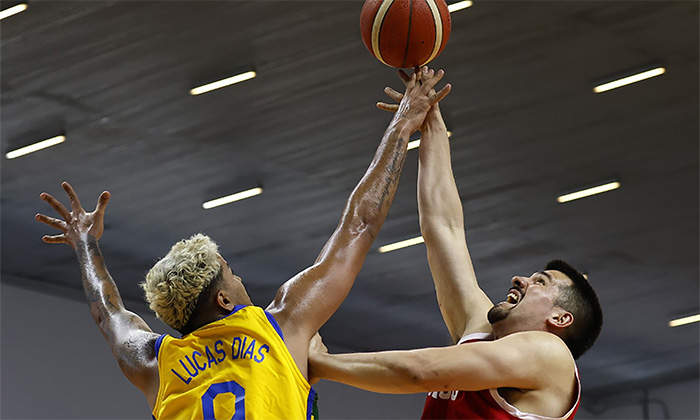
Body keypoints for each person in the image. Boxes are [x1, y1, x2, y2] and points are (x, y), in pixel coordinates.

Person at [34, 67, 452, 420]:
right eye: (231, 274)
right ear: (224, 300)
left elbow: (108, 314)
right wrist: (403, 124)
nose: (240, 278)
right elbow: (360, 224)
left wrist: (85, 244)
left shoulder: (154, 362)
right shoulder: (280, 325)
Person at [309, 71, 603, 420]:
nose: (519, 279)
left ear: (560, 317)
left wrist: (320, 364)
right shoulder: (481, 333)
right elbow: (442, 227)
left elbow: (421, 371)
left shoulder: (549, 352)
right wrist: (428, 118)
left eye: (540, 282)